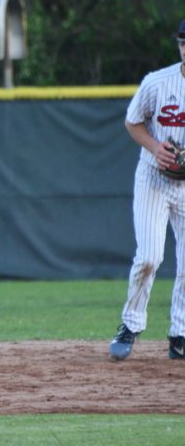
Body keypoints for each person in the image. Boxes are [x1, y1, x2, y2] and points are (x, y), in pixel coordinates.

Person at [109, 19, 185, 361]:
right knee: (151, 257)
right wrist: (155, 147)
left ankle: (180, 334)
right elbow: (132, 121)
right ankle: (130, 325)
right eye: (183, 42)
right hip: (154, 179)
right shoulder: (157, 82)